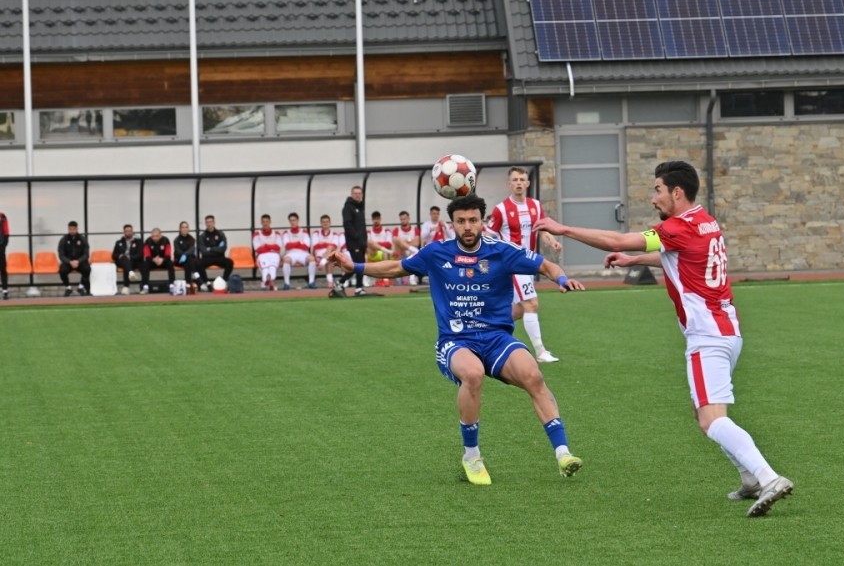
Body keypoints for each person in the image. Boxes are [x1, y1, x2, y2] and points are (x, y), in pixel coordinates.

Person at [534, 160, 794, 517]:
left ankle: (768, 477)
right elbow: (679, 256)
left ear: (677, 192)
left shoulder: (677, 226)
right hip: (727, 331)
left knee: (711, 419)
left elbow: (618, 239)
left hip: (706, 336)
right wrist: (634, 260)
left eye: (657, 190)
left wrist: (562, 228)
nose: (653, 198)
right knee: (703, 412)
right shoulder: (705, 221)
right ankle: (749, 478)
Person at [327, 194, 586, 485]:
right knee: (473, 375)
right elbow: (396, 267)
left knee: (533, 375)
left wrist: (562, 279)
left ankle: (563, 454)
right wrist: (354, 267)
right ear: (452, 224)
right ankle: (472, 456)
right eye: (461, 221)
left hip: (496, 339)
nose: (467, 226)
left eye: (473, 220)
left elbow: (546, 266)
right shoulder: (436, 252)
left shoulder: (501, 251)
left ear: (482, 222)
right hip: (456, 341)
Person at [487, 166, 562, 363]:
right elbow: (489, 236)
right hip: (512, 264)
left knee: (520, 309)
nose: (519, 183)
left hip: (529, 264)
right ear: (509, 184)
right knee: (531, 303)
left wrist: (552, 241)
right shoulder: (501, 209)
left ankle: (487, 327)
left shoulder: (535, 206)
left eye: (522, 179)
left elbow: (543, 230)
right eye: (515, 180)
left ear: (527, 183)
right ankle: (540, 352)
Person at [341, 186, 367, 296]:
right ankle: (356, 287)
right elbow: (347, 224)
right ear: (351, 194)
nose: (357, 195)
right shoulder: (348, 207)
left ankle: (344, 284)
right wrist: (356, 236)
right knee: (358, 265)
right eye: (355, 193)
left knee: (360, 265)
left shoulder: (360, 207)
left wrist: (364, 239)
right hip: (354, 242)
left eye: (359, 193)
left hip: (361, 242)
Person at [282, 212, 317, 290]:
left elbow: (306, 246)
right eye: (291, 220)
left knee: (311, 259)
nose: (292, 222)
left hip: (303, 253)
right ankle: (286, 283)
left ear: (297, 220)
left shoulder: (304, 231)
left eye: (294, 220)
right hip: (291, 253)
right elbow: (287, 245)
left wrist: (293, 244)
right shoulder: (286, 232)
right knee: (286, 260)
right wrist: (299, 243)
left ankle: (311, 282)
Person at [198, 214, 234, 289]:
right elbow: (203, 251)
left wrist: (210, 249)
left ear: (214, 222)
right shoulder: (202, 236)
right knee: (198, 264)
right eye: (207, 222)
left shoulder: (220, 234)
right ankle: (207, 283)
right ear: (205, 223)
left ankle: (223, 281)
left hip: (219, 257)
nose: (209, 224)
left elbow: (223, 248)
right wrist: (216, 249)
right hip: (207, 258)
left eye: (211, 222)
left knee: (230, 262)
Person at [57, 220, 91, 296]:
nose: (72, 231)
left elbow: (86, 254)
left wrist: (78, 261)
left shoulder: (83, 239)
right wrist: (69, 262)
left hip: (80, 262)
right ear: (68, 229)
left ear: (77, 229)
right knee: (62, 270)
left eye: (74, 229)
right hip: (68, 262)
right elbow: (61, 255)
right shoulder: (63, 240)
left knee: (87, 269)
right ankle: (68, 288)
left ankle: (81, 287)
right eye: (70, 229)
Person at [311, 214, 344, 290]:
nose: (325, 223)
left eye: (327, 222)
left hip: (327, 255)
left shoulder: (334, 234)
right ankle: (330, 280)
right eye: (323, 222)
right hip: (319, 254)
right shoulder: (316, 233)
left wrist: (323, 244)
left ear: (330, 223)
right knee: (329, 255)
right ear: (321, 223)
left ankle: (322, 264)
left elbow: (334, 246)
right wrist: (327, 244)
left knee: (330, 251)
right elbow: (316, 246)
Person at [140, 227, 175, 293]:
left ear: (160, 235)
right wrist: (153, 259)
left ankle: (171, 285)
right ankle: (145, 286)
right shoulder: (147, 241)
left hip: (163, 261)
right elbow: (147, 255)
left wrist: (162, 259)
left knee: (170, 263)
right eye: (153, 236)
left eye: (157, 236)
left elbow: (168, 255)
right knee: (145, 264)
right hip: (152, 262)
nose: (155, 238)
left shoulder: (166, 240)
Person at [252, 214, 282, 291]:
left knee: (272, 267)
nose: (265, 223)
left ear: (270, 222)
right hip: (262, 255)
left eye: (267, 221)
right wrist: (271, 247)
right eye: (263, 222)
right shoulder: (257, 234)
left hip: (274, 254)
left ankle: (267, 282)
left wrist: (266, 246)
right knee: (265, 268)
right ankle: (268, 282)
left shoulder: (276, 233)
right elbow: (258, 249)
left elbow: (278, 247)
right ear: (261, 222)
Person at [112, 224, 143, 294]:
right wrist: (119, 255)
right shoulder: (119, 242)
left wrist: (130, 257)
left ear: (132, 231)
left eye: (130, 231)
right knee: (124, 259)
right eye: (127, 231)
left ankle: (127, 286)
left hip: (134, 261)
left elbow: (140, 254)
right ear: (124, 232)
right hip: (121, 261)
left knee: (128, 264)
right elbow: (114, 255)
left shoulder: (138, 242)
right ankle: (130, 273)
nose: (128, 232)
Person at [173, 221, 201, 287]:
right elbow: (178, 251)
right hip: (179, 260)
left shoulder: (192, 239)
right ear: (180, 229)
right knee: (189, 260)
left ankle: (188, 284)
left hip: (188, 260)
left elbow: (191, 249)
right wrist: (184, 255)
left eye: (186, 227)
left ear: (188, 229)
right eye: (183, 227)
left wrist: (185, 255)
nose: (184, 229)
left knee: (188, 262)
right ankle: (198, 279)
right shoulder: (176, 240)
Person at [0, 209, 9, 300]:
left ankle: (5, 291)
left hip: (0, 248)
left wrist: (3, 247)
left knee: (3, 269)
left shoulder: (2, 216)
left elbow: (6, 232)